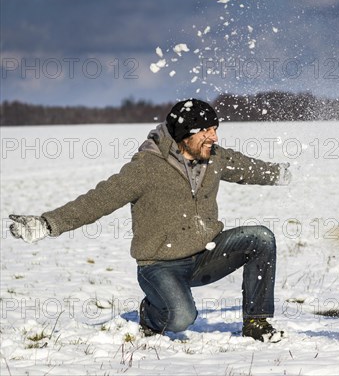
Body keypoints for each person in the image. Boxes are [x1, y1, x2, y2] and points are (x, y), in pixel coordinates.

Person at [9, 98, 291, 342]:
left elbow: (247, 169)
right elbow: (99, 200)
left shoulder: (213, 157)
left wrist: (284, 173)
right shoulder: (147, 167)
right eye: (206, 131)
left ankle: (256, 322)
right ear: (185, 133)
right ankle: (151, 312)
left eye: (215, 130)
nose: (214, 138)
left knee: (260, 238)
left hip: (205, 254)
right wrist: (48, 224)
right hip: (159, 265)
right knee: (181, 318)